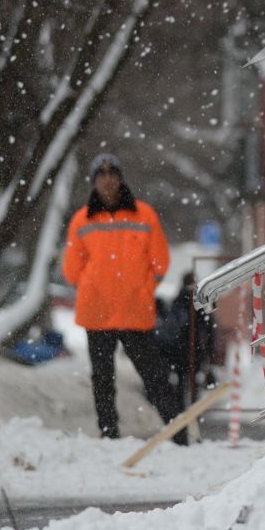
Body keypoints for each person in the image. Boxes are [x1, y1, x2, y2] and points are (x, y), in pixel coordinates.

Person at [61, 154, 186, 444]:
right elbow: (71, 271)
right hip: (98, 313)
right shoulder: (81, 219)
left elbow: (161, 261)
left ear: (121, 179)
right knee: (103, 380)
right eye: (101, 176)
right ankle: (109, 435)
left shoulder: (144, 215)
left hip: (135, 311)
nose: (107, 181)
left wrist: (142, 289)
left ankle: (179, 434)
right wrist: (95, 287)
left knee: (154, 376)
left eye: (112, 175)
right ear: (93, 181)